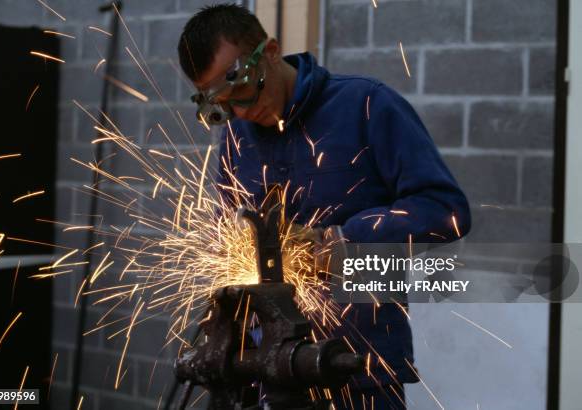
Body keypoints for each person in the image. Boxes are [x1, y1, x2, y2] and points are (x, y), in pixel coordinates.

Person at [178, 4, 471, 409]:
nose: (242, 110)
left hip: (356, 370)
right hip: (265, 372)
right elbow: (225, 235)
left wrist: (345, 240)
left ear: (271, 51)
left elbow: (444, 210)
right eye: (224, 103)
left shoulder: (366, 106)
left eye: (243, 86)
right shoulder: (236, 137)